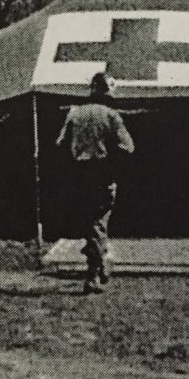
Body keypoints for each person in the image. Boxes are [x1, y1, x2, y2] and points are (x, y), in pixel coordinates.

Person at [56, 72, 135, 294]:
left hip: (79, 176)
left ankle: (99, 264)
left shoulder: (74, 113)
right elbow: (128, 147)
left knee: (91, 224)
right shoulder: (112, 116)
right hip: (102, 175)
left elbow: (60, 143)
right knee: (99, 223)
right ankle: (94, 273)